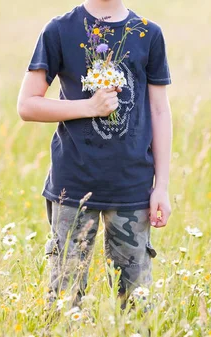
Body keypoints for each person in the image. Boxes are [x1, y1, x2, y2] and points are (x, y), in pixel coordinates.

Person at [16, 0, 172, 311]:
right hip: (73, 186)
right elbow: (27, 105)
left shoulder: (148, 34)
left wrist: (162, 186)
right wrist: (88, 107)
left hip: (133, 187)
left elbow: (159, 110)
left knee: (137, 304)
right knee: (64, 300)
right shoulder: (59, 30)